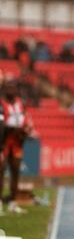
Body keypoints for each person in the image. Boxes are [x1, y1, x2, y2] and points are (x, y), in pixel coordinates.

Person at [0, 80, 32, 213]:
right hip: (4, 141)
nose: (10, 90)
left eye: (12, 88)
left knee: (15, 172)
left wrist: (25, 131)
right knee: (1, 171)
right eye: (8, 87)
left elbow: (26, 120)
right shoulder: (1, 103)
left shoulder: (20, 103)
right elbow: (1, 125)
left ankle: (13, 202)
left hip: (17, 142)